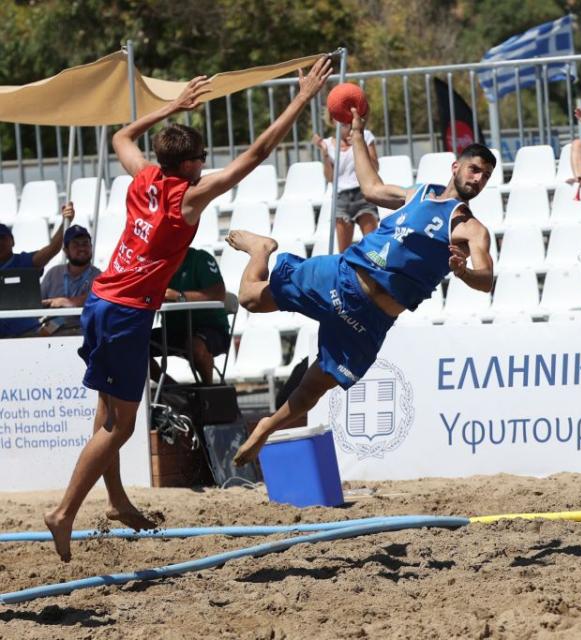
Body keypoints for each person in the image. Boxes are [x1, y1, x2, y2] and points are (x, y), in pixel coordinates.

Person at [43, 55, 335, 563]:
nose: (207, 161)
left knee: (105, 413)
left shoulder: (144, 177)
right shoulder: (188, 198)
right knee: (121, 427)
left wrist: (170, 106)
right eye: (202, 155)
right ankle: (64, 511)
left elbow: (120, 138)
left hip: (101, 303)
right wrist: (302, 97)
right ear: (193, 162)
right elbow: (257, 154)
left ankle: (116, 501)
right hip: (127, 312)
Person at [227, 107, 496, 467]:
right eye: (474, 169)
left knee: (315, 387)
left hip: (370, 320)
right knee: (248, 298)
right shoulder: (417, 195)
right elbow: (370, 187)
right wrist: (356, 135)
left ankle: (265, 429)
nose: (478, 179)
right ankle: (261, 248)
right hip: (342, 276)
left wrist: (463, 272)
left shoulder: (471, 229)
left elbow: (487, 279)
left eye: (485, 176)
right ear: (456, 167)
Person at [149, 247, 230, 385]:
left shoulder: (200, 258)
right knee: (133, 345)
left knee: (196, 346)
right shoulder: (155, 265)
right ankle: (175, 393)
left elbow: (219, 294)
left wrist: (180, 296)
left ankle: (208, 394)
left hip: (212, 329)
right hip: (173, 331)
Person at [0, 203, 75, 338]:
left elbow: (53, 248)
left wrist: (65, 222)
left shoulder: (24, 261)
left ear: (12, 241)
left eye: (2, 238)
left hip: (27, 333)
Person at [312, 117, 380, 253]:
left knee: (373, 249)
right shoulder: (327, 144)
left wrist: (358, 144)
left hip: (363, 195)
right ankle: (349, 274)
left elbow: (375, 167)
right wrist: (325, 154)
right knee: (344, 252)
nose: (344, 122)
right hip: (342, 199)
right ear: (332, 121)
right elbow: (330, 178)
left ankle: (374, 274)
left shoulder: (364, 136)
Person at [37, 223, 101, 336]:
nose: (82, 248)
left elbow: (96, 301)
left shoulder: (100, 276)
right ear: (66, 250)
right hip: (53, 331)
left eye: (85, 244)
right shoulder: (53, 273)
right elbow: (37, 302)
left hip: (84, 332)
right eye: (76, 245)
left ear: (91, 247)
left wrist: (66, 302)